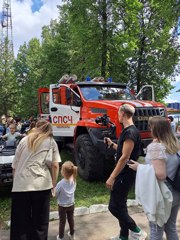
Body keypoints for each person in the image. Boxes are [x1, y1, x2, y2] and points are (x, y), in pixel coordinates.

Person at [128, 116, 180, 240]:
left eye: (150, 127)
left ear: (156, 129)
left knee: (156, 229)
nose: (149, 129)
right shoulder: (176, 144)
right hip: (176, 191)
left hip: (162, 194)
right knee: (170, 227)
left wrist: (139, 168)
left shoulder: (156, 147)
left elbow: (160, 174)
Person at [10, 119, 61, 240]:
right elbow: (54, 165)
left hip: (20, 187)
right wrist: (54, 185)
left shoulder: (23, 140)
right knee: (40, 225)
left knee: (19, 225)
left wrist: (17, 182)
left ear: (36, 127)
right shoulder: (50, 141)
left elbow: (14, 167)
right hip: (41, 186)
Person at [104, 104, 147, 240]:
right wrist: (112, 144)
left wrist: (112, 177)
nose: (117, 115)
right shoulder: (129, 131)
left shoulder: (130, 132)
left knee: (114, 207)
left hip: (125, 174)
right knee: (121, 205)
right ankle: (123, 236)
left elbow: (125, 157)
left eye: (118, 113)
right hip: (124, 173)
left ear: (123, 113)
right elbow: (123, 151)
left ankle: (137, 230)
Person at [55, 161, 78, 240]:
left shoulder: (60, 184)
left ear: (63, 172)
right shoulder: (74, 181)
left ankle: (61, 237)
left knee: (62, 222)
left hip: (62, 206)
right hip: (71, 205)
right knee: (71, 219)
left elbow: (55, 194)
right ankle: (72, 234)